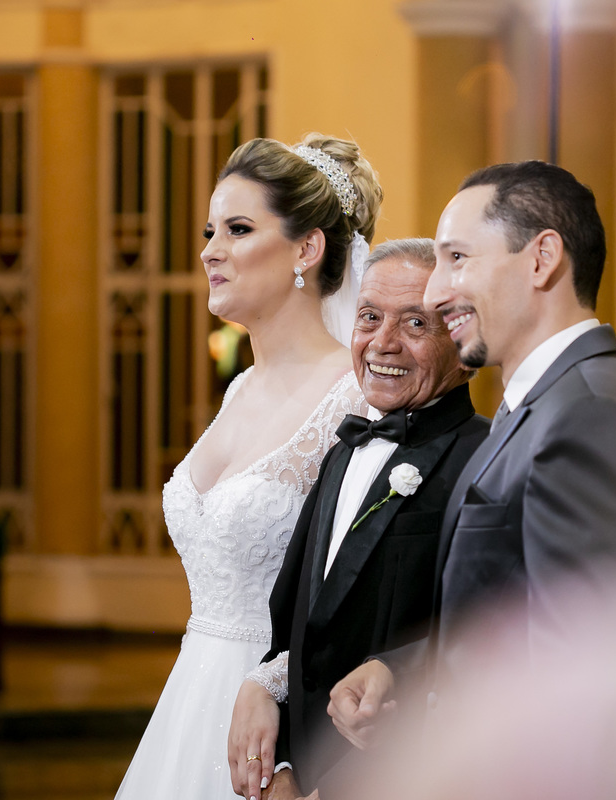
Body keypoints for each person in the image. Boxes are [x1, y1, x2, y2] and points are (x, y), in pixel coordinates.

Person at [328, 161, 616, 749]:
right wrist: (402, 669)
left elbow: (579, 688)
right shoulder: (549, 402)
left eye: (457, 258)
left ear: (542, 258)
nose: (436, 291)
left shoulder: (590, 416)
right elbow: (518, 618)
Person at [113, 133, 383, 800]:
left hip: (283, 722)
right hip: (192, 702)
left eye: (237, 229)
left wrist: (285, 707)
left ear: (306, 249)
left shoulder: (354, 399)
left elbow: (366, 594)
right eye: (210, 232)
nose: (211, 251)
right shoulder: (238, 389)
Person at [226, 239, 490, 800]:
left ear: (462, 342)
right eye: (369, 317)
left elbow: (484, 648)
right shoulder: (342, 451)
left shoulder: (486, 463)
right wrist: (283, 761)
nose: (382, 343)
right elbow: (301, 627)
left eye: (415, 323)